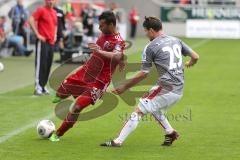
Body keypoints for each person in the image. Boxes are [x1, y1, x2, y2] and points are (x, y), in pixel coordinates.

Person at [100, 16, 199, 147]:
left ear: (151, 30)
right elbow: (196, 56)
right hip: (178, 89)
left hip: (166, 88)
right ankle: (170, 132)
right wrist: (190, 62)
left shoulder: (150, 47)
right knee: (154, 108)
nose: (146, 34)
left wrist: (124, 87)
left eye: (146, 31)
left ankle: (117, 141)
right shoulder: (176, 40)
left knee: (139, 110)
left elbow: (143, 73)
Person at [49, 11, 126, 142]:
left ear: (111, 25)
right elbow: (119, 56)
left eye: (102, 25)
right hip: (85, 73)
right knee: (59, 94)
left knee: (76, 107)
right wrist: (122, 60)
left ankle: (58, 133)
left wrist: (101, 52)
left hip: (99, 82)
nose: (99, 28)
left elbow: (117, 55)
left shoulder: (118, 41)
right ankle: (62, 94)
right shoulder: (104, 34)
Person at [29, 0, 58, 96]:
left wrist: (55, 35)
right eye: (49, 0)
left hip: (51, 42)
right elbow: (31, 20)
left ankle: (43, 86)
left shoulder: (54, 12)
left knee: (48, 65)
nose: (51, 2)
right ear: (45, 1)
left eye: (52, 0)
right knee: (41, 64)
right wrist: (37, 34)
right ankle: (38, 87)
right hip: (42, 42)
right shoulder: (41, 10)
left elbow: (55, 25)